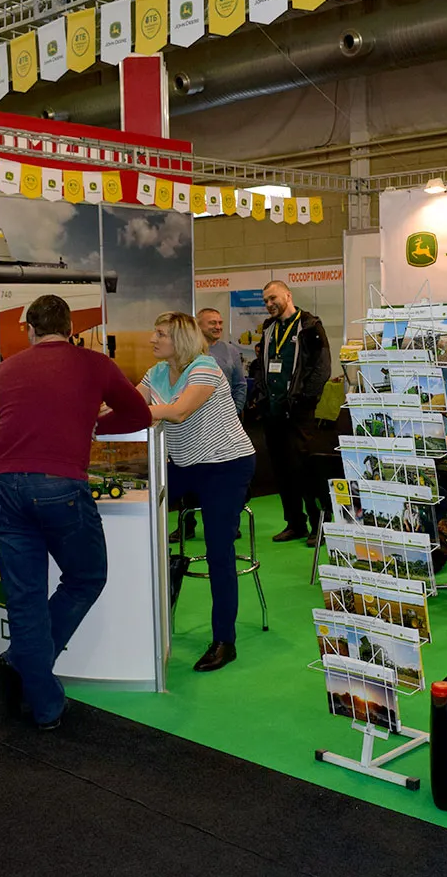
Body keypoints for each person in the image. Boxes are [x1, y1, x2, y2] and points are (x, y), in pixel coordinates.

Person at [0, 295, 150, 730]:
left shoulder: (7, 368)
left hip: (3, 482)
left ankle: (40, 695)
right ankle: (29, 670)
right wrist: (96, 424)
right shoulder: (94, 364)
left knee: (24, 598)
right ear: (71, 327)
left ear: (30, 330)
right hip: (59, 485)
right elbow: (139, 414)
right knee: (85, 577)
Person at [140, 312, 256, 672]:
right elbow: (131, 403)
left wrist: (141, 411)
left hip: (226, 465)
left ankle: (225, 641)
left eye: (160, 334)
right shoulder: (156, 373)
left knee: (218, 550)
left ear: (180, 340)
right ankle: (164, 582)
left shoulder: (204, 367)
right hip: (186, 463)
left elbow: (178, 412)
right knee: (139, 511)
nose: (153, 339)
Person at [247, 280, 331, 546]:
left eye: (273, 298)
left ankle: (320, 525)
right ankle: (295, 523)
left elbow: (322, 368)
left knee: (305, 468)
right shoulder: (269, 328)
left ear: (287, 295)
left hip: (298, 412)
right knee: (281, 470)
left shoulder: (309, 326)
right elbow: (261, 365)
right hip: (272, 411)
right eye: (265, 301)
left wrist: (305, 401)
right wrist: (261, 396)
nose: (269, 304)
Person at [170, 307, 248, 544]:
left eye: (220, 323)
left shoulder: (230, 351)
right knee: (189, 480)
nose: (218, 327)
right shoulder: (187, 354)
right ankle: (187, 525)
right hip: (189, 429)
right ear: (198, 325)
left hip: (222, 432)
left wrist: (233, 413)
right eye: (212, 322)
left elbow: (240, 385)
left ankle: (228, 526)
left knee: (222, 487)